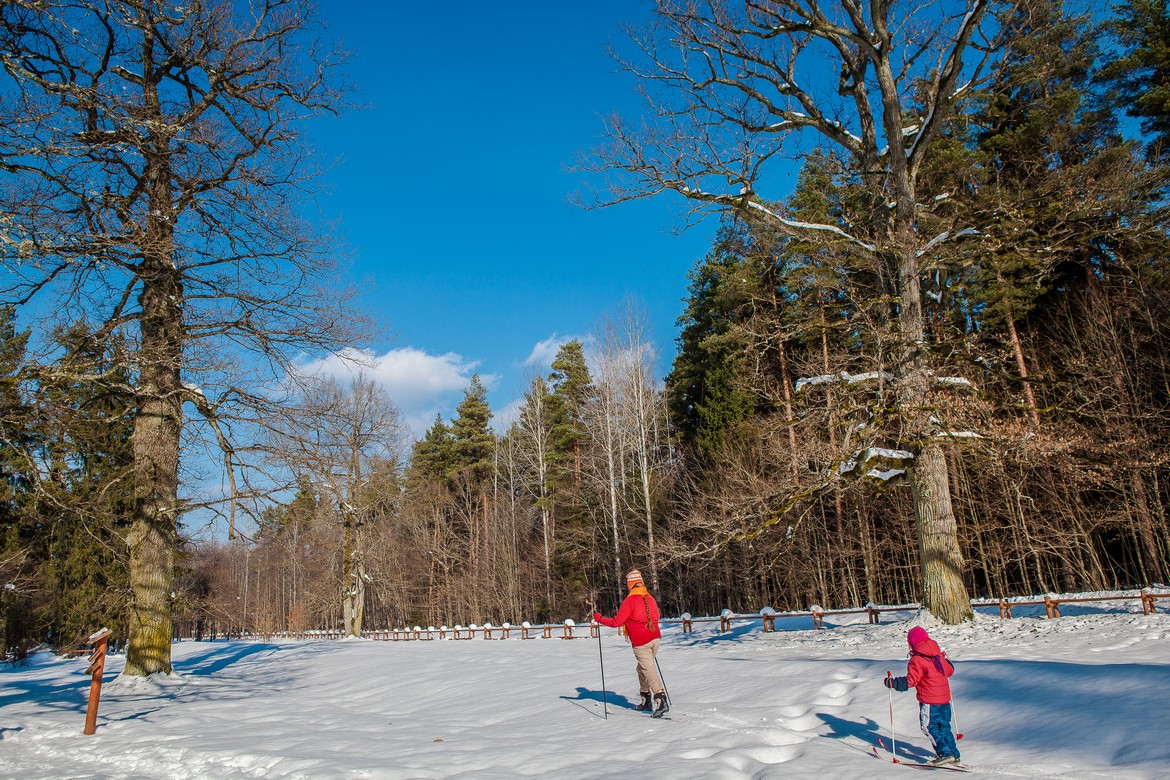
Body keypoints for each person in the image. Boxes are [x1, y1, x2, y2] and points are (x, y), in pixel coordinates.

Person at [593, 569, 668, 717]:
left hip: (641, 642)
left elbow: (617, 622)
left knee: (648, 670)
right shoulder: (649, 597)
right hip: (655, 638)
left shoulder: (630, 600)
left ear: (631, 585)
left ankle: (660, 699)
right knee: (642, 669)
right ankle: (646, 699)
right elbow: (657, 616)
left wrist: (600, 619)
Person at [884, 626, 960, 766]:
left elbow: (911, 680)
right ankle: (954, 754)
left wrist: (893, 683)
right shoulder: (938, 656)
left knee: (928, 726)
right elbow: (950, 671)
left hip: (930, 702)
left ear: (912, 643)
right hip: (944, 701)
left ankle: (945, 753)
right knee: (944, 727)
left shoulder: (917, 660)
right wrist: (946, 660)